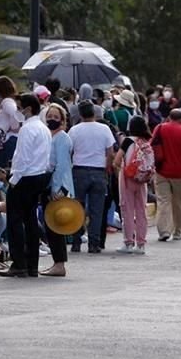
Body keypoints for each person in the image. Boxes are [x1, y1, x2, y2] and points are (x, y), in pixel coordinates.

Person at [0, 93, 52, 277]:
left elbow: (23, 157)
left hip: (25, 177)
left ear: (28, 109)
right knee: (30, 221)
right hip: (39, 176)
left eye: (20, 107)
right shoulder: (43, 128)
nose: (18, 111)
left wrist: (14, 180)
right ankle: (31, 264)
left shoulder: (28, 129)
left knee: (15, 222)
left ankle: (19, 263)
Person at [69, 99, 116, 253]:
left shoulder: (74, 130)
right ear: (94, 112)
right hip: (99, 171)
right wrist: (106, 167)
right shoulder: (104, 129)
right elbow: (110, 153)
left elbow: (70, 151)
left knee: (77, 208)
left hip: (79, 171)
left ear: (80, 114)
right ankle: (94, 244)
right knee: (97, 210)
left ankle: (76, 241)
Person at [152, 109, 181, 242]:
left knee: (163, 201)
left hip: (161, 170)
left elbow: (152, 146)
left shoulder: (159, 128)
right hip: (180, 172)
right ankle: (177, 232)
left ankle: (164, 231)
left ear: (169, 117)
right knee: (179, 203)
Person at [114, 115, 152, 254]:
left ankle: (128, 242)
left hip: (127, 179)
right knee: (141, 211)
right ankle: (141, 244)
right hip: (142, 179)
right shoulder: (146, 142)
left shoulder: (128, 141)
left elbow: (117, 160)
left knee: (127, 210)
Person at [41, 103, 71, 276]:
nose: (52, 119)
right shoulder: (47, 135)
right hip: (47, 184)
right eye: (49, 116)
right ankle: (56, 263)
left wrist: (57, 189)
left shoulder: (63, 138)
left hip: (57, 188)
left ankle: (59, 264)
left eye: (56, 117)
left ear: (62, 120)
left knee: (55, 226)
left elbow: (62, 166)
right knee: (50, 225)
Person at [0, 76, 24, 169]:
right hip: (7, 141)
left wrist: (13, 127)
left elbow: (14, 116)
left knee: (3, 169)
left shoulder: (7, 102)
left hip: (7, 141)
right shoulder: (8, 102)